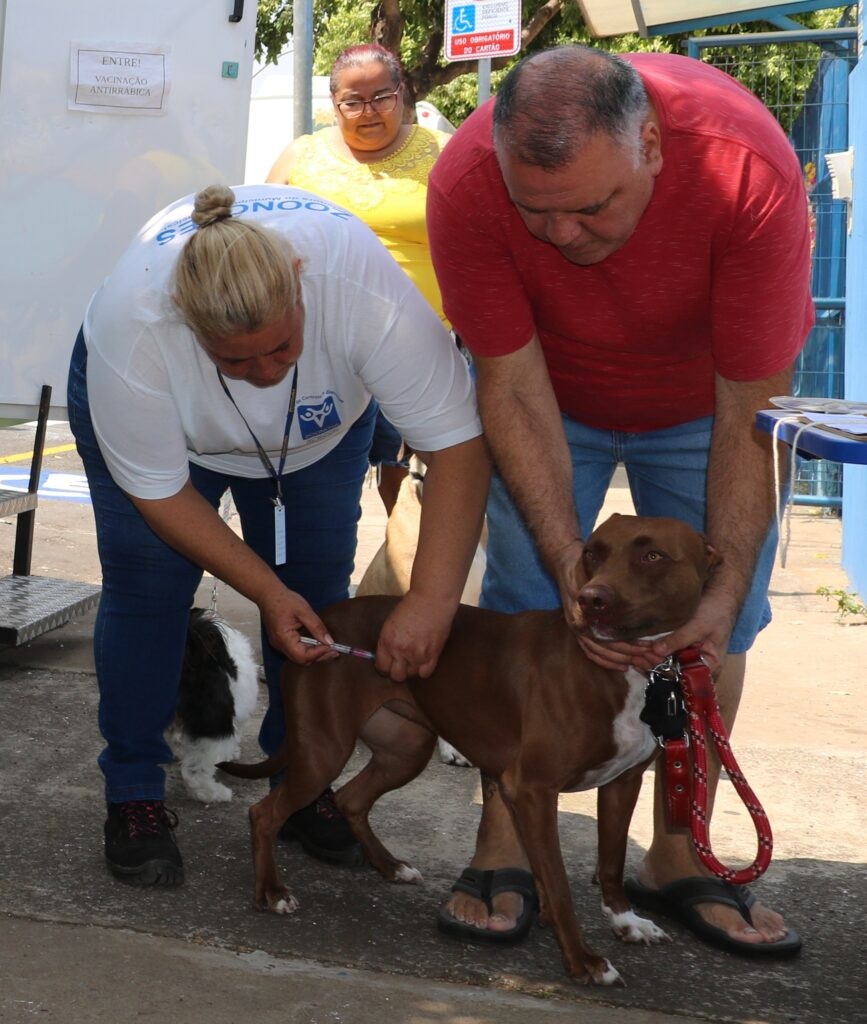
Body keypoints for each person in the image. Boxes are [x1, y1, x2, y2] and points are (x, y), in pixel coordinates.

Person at [427, 45, 812, 956]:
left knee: (717, 627)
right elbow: (510, 389)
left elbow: (749, 408)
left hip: (704, 403)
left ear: (650, 145)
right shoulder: (469, 182)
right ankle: (509, 834)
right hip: (546, 398)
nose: (561, 237)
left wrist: (718, 594)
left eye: (591, 207)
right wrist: (568, 552)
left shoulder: (743, 167)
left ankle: (679, 850)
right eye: (537, 213)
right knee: (528, 604)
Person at [68, 182, 489, 886]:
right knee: (149, 591)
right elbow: (161, 495)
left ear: (302, 287)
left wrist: (431, 600)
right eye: (235, 361)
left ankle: (298, 784)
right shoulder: (134, 324)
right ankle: (134, 790)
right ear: (184, 321)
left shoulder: (361, 289)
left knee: (317, 599)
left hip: (319, 440)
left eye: (282, 348)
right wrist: (264, 589)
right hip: (172, 450)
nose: (265, 374)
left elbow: (457, 447)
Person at [267, 43, 452, 515]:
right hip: (315, 351)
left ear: (402, 93)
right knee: (324, 485)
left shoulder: (443, 153)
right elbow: (258, 240)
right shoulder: (300, 155)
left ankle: (414, 575)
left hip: (417, 349)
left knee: (411, 485)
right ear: (335, 104)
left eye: (381, 97)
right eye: (353, 101)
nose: (367, 112)